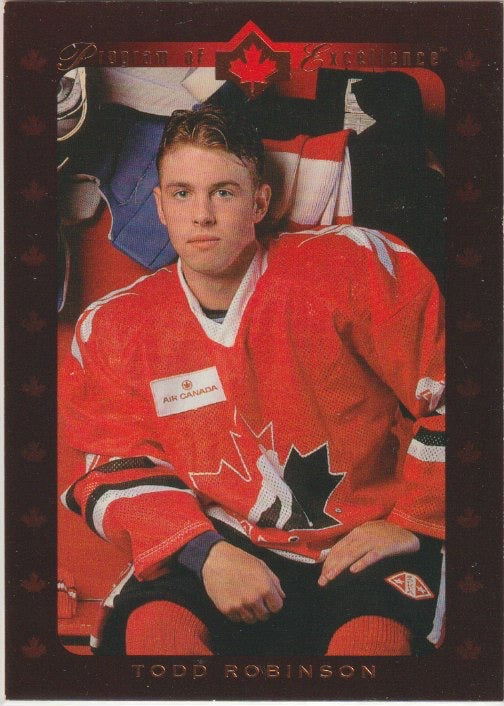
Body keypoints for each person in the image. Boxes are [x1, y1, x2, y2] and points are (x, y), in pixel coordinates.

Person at [60, 104, 445, 656]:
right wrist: (206, 555)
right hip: (223, 539)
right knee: (155, 634)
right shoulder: (115, 327)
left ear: (260, 203)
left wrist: (414, 521)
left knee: (372, 648)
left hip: (360, 536)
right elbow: (113, 466)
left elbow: (459, 390)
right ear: (160, 206)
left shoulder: (350, 268)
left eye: (223, 192)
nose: (202, 215)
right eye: (182, 193)